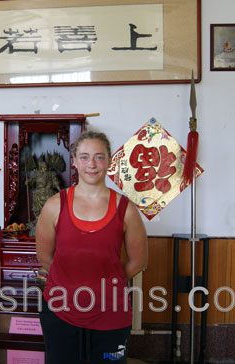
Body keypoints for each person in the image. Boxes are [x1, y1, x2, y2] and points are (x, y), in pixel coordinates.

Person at [36, 130, 148, 364]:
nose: (92, 164)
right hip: (60, 311)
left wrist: (108, 282)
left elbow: (139, 261)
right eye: (85, 157)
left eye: (99, 156)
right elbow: (44, 256)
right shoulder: (54, 205)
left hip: (111, 313)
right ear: (74, 161)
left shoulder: (125, 209)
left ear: (109, 160)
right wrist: (70, 280)